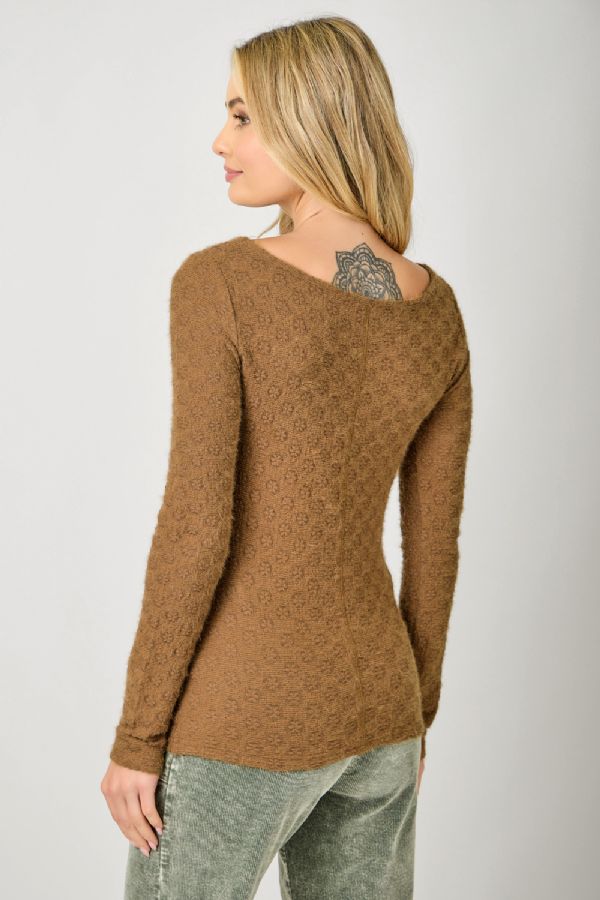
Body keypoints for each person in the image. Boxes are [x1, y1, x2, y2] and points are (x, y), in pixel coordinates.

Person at [100, 14, 473, 900]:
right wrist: (415, 715)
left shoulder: (223, 281)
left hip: (243, 714)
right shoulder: (434, 309)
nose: (219, 141)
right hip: (382, 715)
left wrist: (138, 738)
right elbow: (435, 547)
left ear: (311, 121)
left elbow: (197, 525)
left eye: (242, 116)